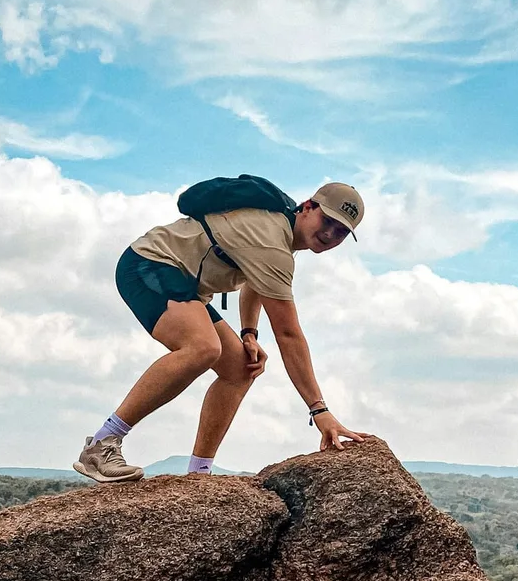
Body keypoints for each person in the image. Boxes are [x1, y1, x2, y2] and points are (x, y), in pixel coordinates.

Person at [75, 180, 370, 483]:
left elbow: (257, 283)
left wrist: (249, 334)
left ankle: (199, 474)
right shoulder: (272, 241)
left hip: (184, 283)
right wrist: (319, 410)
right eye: (327, 221)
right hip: (150, 263)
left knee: (241, 367)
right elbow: (288, 335)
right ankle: (102, 445)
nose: (330, 234)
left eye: (341, 231)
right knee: (203, 347)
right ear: (308, 207)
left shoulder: (281, 233)